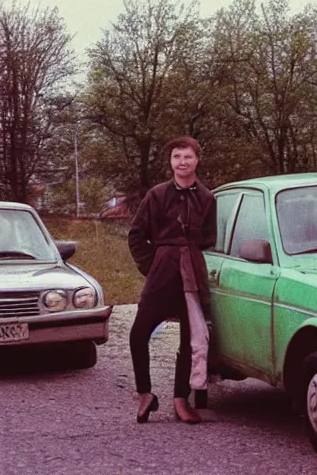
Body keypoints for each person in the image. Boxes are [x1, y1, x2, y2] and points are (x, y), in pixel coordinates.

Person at [128, 135, 217, 424]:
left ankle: (181, 399)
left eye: (188, 157)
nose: (182, 162)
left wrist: (187, 256)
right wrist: (152, 265)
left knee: (191, 339)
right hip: (161, 273)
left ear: (197, 160)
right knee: (138, 334)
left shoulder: (207, 198)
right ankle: (145, 394)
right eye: (177, 157)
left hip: (192, 274)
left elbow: (208, 238)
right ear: (170, 161)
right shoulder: (156, 195)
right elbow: (136, 235)